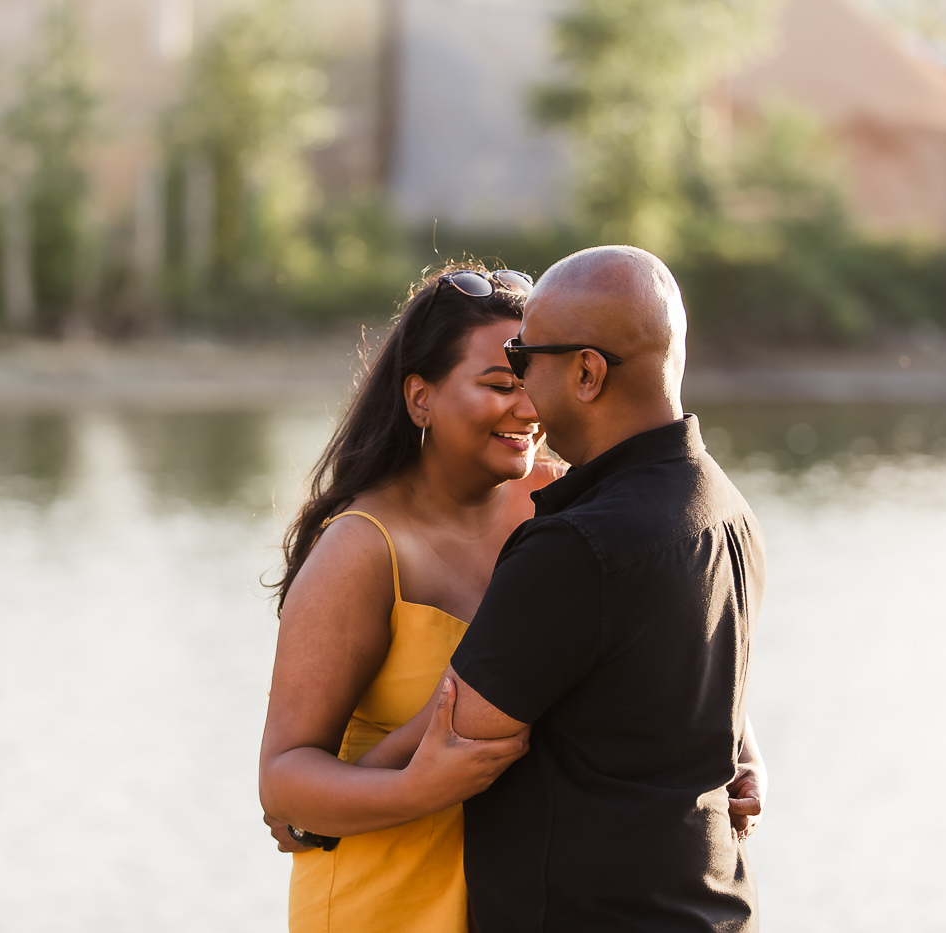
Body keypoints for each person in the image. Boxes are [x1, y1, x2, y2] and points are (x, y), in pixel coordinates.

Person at [390, 245, 770, 931]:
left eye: (524, 357)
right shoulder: (728, 510)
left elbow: (452, 739)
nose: (519, 381)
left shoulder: (578, 548)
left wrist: (321, 790)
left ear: (588, 372)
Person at [259, 263, 550, 933]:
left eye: (534, 383)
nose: (528, 408)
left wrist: (743, 746)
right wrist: (414, 787)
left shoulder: (557, 502)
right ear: (420, 398)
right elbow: (283, 776)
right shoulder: (364, 548)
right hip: (378, 902)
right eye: (501, 385)